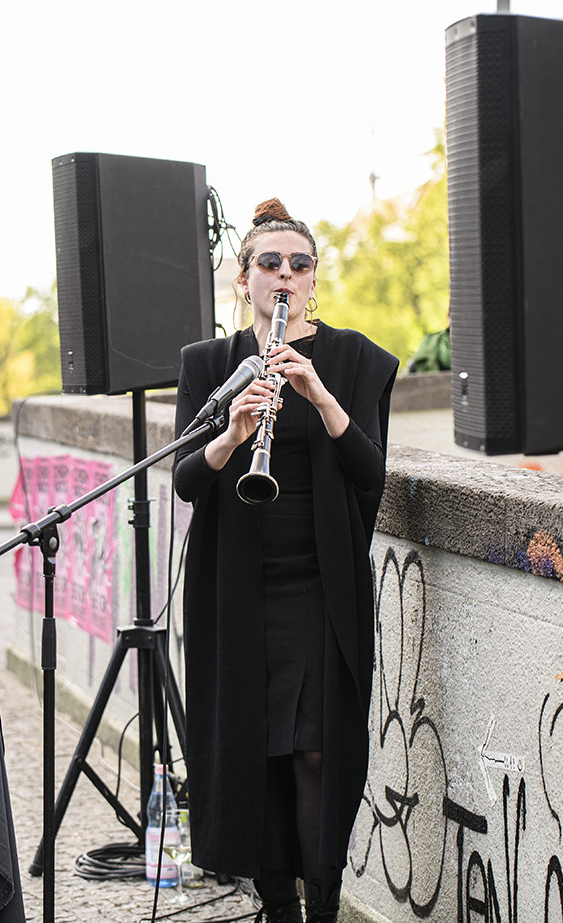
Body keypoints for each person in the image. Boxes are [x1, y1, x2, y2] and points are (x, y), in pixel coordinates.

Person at [173, 198, 398, 923]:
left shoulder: (356, 360)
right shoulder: (209, 364)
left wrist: (318, 395)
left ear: (312, 280)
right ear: (243, 279)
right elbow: (185, 479)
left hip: (319, 587)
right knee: (258, 756)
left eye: (299, 265)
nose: (285, 275)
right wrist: (233, 434)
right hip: (237, 589)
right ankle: (278, 911)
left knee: (314, 755)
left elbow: (370, 473)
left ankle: (323, 908)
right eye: (269, 263)